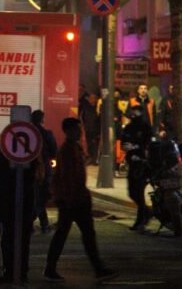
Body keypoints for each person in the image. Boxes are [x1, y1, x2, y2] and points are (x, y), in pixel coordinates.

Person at [44, 118, 116, 282]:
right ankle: (98, 268)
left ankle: (52, 267)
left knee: (69, 234)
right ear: (69, 131)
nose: (80, 132)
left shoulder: (73, 148)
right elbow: (69, 177)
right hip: (74, 200)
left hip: (73, 198)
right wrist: (73, 198)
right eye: (77, 129)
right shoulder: (68, 150)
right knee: (83, 234)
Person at [0, 139, 41, 285]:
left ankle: (10, 272)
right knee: (23, 241)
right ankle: (21, 273)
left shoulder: (3, 157)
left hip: (6, 205)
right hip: (25, 205)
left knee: (7, 240)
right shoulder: (29, 158)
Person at [121, 105, 153, 231]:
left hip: (142, 163)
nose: (134, 114)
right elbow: (124, 143)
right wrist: (127, 148)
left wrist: (136, 148)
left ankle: (140, 220)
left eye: (137, 112)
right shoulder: (129, 128)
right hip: (132, 162)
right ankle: (147, 211)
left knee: (138, 192)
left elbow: (148, 144)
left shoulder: (145, 127)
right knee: (132, 192)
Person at [31, 110, 57, 234]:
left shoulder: (28, 133)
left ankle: (37, 223)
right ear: (42, 119)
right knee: (42, 197)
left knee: (34, 197)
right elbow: (54, 151)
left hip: (29, 170)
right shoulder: (46, 134)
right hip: (43, 170)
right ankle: (43, 224)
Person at [80, 93, 100, 165]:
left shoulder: (98, 108)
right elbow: (82, 118)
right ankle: (89, 158)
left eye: (94, 98)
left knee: (95, 145)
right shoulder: (85, 107)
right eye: (91, 98)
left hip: (96, 130)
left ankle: (94, 159)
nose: (92, 99)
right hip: (87, 129)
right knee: (88, 144)